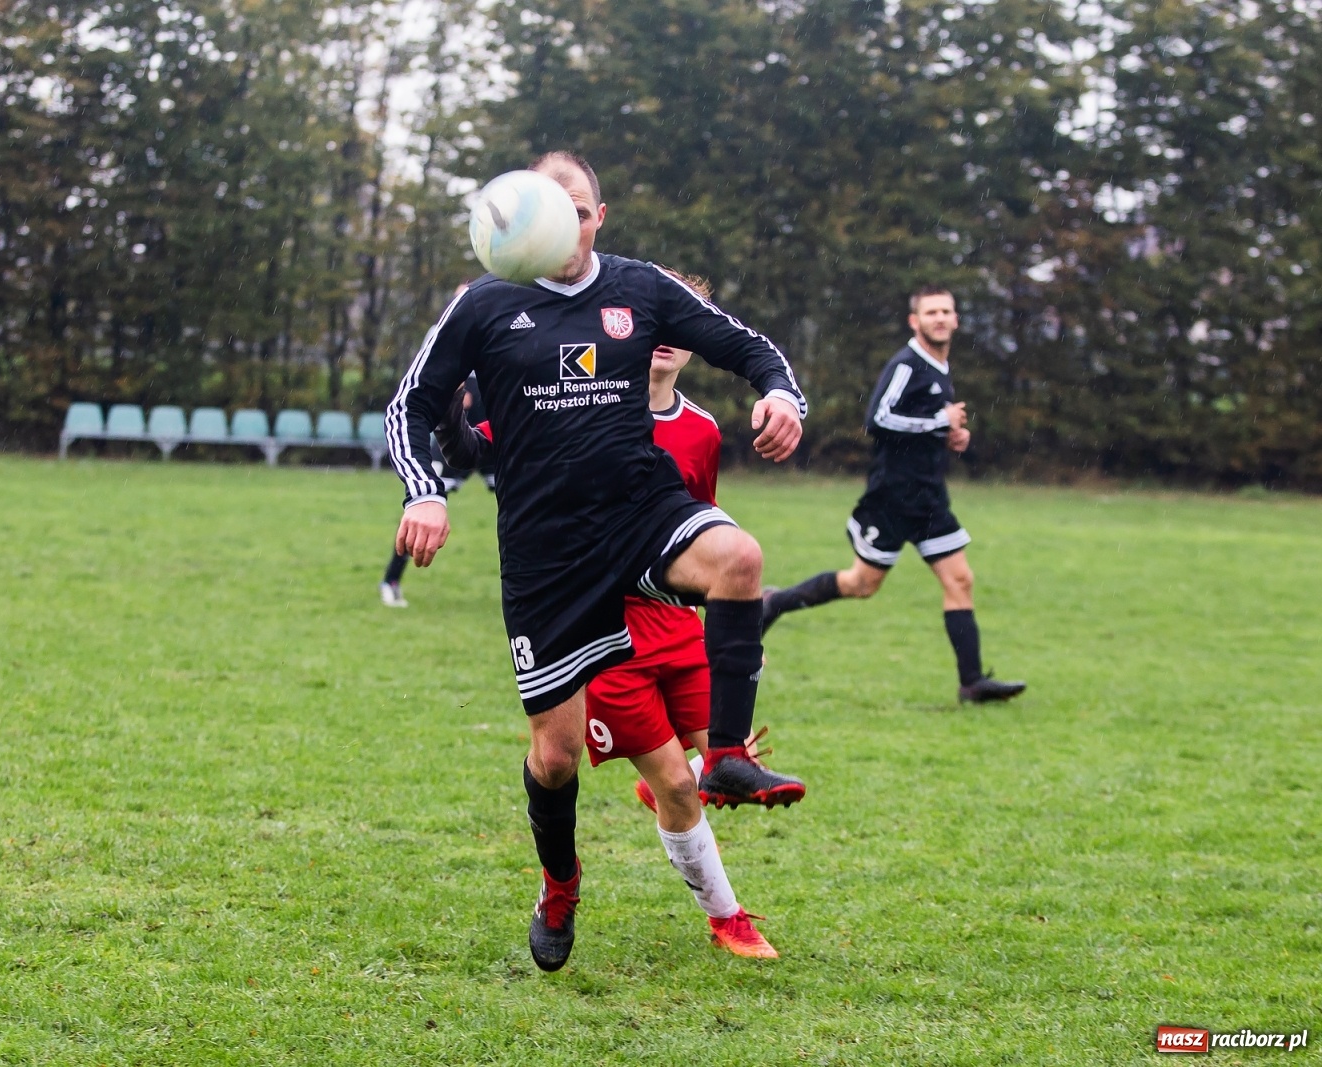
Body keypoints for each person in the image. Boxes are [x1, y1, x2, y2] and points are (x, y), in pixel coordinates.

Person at [388, 150, 808, 972]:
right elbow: (413, 401)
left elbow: (749, 346)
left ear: (599, 215)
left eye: (580, 210)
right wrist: (423, 492)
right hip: (545, 551)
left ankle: (724, 753)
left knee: (739, 559)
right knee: (555, 756)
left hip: (638, 509)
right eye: (554, 209)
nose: (569, 225)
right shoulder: (485, 302)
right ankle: (560, 880)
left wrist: (781, 394)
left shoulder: (639, 287)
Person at [761, 284, 1026, 704]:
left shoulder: (940, 365)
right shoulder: (908, 364)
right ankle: (772, 603)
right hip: (892, 498)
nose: (939, 318)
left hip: (930, 498)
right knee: (862, 583)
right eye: (931, 312)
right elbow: (878, 418)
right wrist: (938, 420)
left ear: (956, 319)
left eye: (946, 311)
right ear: (915, 321)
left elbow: (922, 424)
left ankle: (972, 683)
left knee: (960, 579)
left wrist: (949, 436)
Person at [379, 374, 494, 608]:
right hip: (453, 445)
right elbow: (422, 390)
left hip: (497, 439)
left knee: (530, 506)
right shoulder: (448, 346)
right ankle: (390, 581)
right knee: (422, 516)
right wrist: (453, 393)